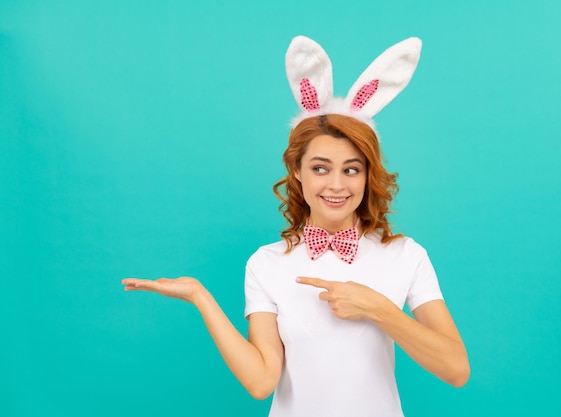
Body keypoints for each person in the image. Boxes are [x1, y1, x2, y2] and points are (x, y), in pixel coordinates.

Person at [122, 36, 469, 417]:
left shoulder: (405, 255)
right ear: (298, 173)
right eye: (320, 168)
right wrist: (200, 297)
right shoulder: (266, 264)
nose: (336, 185)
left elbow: (456, 369)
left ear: (368, 176)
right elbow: (261, 382)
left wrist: (379, 309)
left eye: (351, 169)